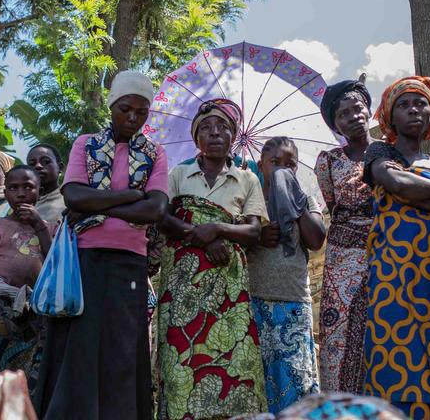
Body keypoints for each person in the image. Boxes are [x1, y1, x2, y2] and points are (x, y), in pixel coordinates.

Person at [36, 70, 168, 420]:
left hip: (130, 262)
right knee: (79, 345)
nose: (133, 118)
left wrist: (99, 201)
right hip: (86, 258)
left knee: (122, 348)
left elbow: (155, 208)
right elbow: (73, 196)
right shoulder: (86, 144)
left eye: (142, 112)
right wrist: (127, 196)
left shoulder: (155, 153)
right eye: (126, 108)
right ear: (112, 106)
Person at [153, 98, 268, 418]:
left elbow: (254, 232)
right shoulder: (178, 173)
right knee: (182, 357)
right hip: (182, 283)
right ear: (196, 139)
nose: (215, 132)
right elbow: (162, 218)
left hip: (228, 285)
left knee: (232, 358)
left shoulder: (247, 178)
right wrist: (201, 238)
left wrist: (217, 229)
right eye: (206, 128)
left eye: (223, 127)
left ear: (233, 136)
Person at [362, 77, 430, 420]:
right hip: (395, 274)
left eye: (421, 103)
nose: (413, 110)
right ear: (390, 117)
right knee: (394, 349)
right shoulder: (380, 152)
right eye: (404, 105)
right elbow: (394, 181)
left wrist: (412, 194)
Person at [250, 136, 325, 412]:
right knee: (257, 384)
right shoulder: (250, 198)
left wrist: (294, 202)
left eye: (289, 164)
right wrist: (256, 235)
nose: (282, 168)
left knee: (296, 381)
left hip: (293, 302)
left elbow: (316, 239)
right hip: (254, 301)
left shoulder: (305, 198)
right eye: (275, 163)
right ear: (261, 165)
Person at [313, 77, 374, 394]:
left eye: (357, 108)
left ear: (369, 110)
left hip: (385, 250)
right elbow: (332, 203)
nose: (353, 116)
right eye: (344, 114)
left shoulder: (390, 152)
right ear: (335, 124)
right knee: (340, 331)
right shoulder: (329, 161)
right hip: (342, 258)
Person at [0, 166, 55, 389]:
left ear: (39, 190)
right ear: (5, 192)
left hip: (35, 309)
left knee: (29, 374)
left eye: (28, 187)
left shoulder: (50, 228)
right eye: (13, 188)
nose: (20, 193)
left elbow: (53, 265)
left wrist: (39, 226)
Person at [27, 144, 66, 223]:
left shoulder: (70, 200)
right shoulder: (20, 203)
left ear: (60, 167)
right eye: (32, 164)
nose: (38, 166)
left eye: (45, 161)